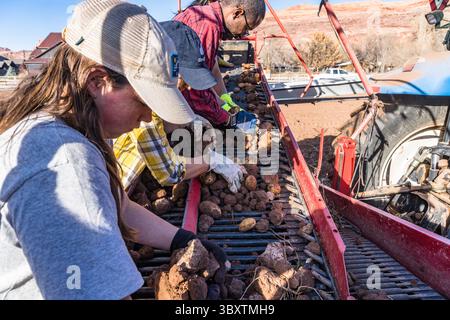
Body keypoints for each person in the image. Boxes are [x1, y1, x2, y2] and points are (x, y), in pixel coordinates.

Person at [0, 0, 227, 300]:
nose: (148, 117)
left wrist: (179, 238)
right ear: (98, 82)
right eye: (143, 102)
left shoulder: (66, 127)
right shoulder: (66, 164)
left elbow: (114, 201)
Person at [114, 20, 245, 192]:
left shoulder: (146, 85)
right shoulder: (143, 102)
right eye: (185, 77)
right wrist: (213, 161)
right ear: (164, 67)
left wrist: (189, 120)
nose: (189, 87)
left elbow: (162, 123)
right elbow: (169, 173)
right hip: (114, 193)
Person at [174, 0, 266, 131]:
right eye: (246, 28)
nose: (243, 35)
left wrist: (225, 99)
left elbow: (212, 67)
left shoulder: (206, 16)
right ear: (237, 13)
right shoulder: (207, 24)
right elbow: (194, 91)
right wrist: (227, 119)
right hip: (172, 107)